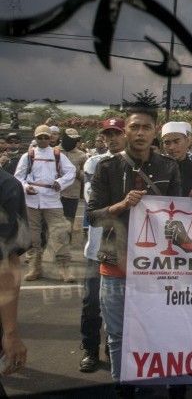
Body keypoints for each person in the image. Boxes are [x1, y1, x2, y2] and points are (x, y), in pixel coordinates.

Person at [88, 107, 182, 397]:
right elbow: (93, 217)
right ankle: (123, 387)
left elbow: (177, 212)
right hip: (115, 263)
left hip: (156, 268)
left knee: (153, 331)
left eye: (146, 127)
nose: (140, 133)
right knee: (117, 334)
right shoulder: (106, 168)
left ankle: (149, 384)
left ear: (155, 131)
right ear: (125, 131)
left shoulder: (169, 167)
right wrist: (121, 205)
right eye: (134, 127)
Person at [79, 118, 126, 373]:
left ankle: (112, 347)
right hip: (97, 248)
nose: (111, 139)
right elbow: (93, 202)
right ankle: (89, 348)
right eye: (107, 135)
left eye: (116, 133)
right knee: (91, 304)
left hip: (124, 249)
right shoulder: (94, 162)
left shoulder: (138, 164)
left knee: (118, 304)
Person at [14, 124, 76, 282]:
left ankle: (64, 268)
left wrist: (60, 183)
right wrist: (26, 187)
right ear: (35, 138)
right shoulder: (28, 155)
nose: (42, 140)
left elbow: (71, 171)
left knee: (59, 234)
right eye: (39, 137)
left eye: (46, 137)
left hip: (52, 200)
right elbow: (18, 176)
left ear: (51, 138)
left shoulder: (57, 154)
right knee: (33, 236)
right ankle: (35, 267)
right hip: (32, 201)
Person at [0, 168, 30, 391]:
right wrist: (10, 333)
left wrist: (10, 332)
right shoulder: (7, 185)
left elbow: (7, 263)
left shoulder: (7, 186)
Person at [57, 128, 87, 236]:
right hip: (54, 193)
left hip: (71, 194)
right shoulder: (54, 151)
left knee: (68, 223)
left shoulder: (82, 155)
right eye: (71, 139)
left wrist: (78, 172)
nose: (74, 142)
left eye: (76, 139)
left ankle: (65, 249)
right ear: (65, 138)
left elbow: (87, 176)